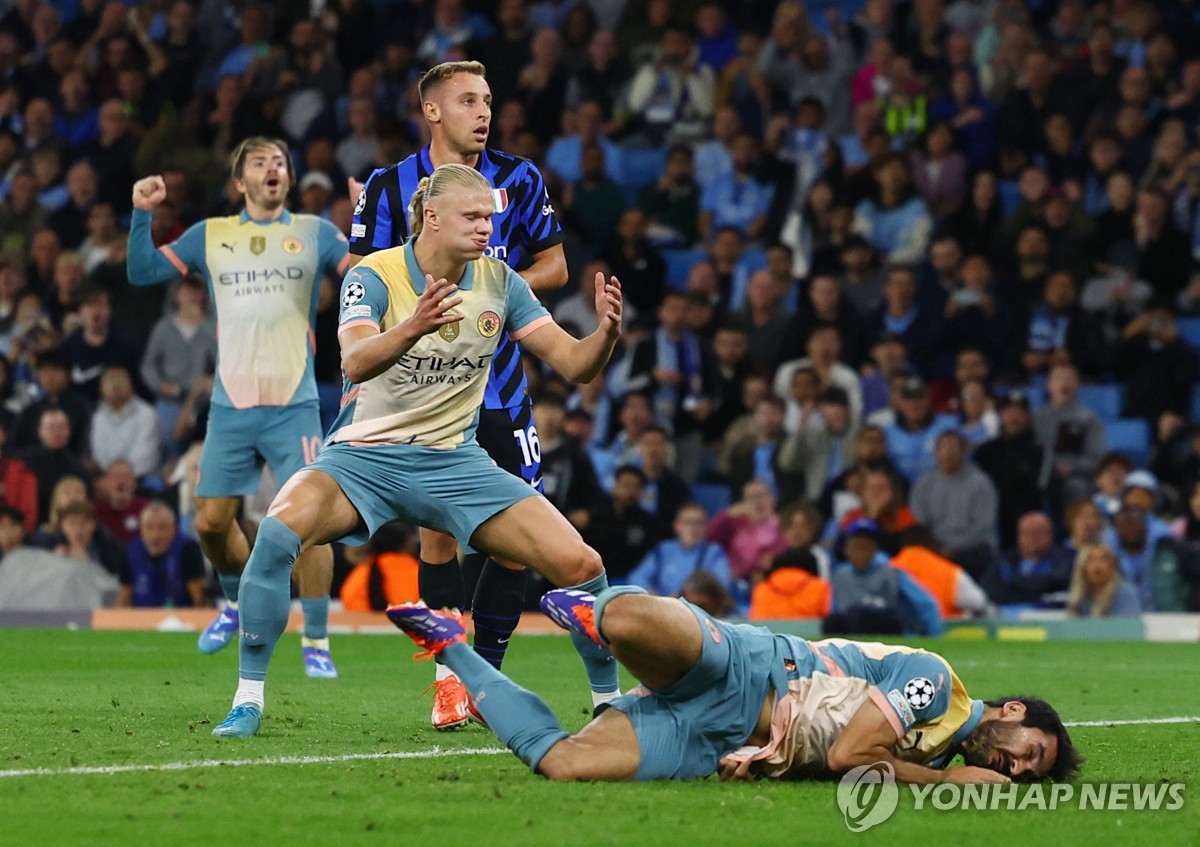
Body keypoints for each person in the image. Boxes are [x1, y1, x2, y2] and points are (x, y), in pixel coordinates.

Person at [210, 163, 626, 738]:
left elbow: (576, 366)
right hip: (362, 461)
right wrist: (413, 326)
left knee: (583, 567)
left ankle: (611, 707)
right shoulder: (373, 276)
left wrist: (604, 337)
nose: (486, 229)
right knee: (279, 533)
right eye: (473, 217)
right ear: (431, 217)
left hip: (456, 463)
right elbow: (355, 360)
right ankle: (248, 700)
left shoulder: (501, 281)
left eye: (490, 217)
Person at [349, 61, 575, 727]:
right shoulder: (392, 186)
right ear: (435, 113)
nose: (484, 112)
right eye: (468, 101)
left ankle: (488, 676)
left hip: (500, 384)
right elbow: (358, 269)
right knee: (439, 540)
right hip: (426, 392)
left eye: (488, 100)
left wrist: (496, 293)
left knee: (512, 543)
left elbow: (556, 263)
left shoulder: (521, 178)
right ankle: (452, 682)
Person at [386, 589, 1080, 784]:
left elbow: (857, 759)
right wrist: (948, 785)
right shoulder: (936, 686)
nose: (1015, 766)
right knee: (628, 620)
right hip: (753, 669)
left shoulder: (930, 750)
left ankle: (452, 645)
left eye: (1025, 773)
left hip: (718, 740)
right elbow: (846, 758)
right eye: (1030, 750)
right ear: (1014, 710)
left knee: (562, 763)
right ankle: (596, 612)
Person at [126, 137, 347, 677]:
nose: (272, 168)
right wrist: (140, 213)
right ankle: (235, 602)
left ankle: (316, 638)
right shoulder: (212, 235)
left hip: (293, 404)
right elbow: (141, 273)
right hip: (230, 406)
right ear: (239, 181)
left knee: (311, 522)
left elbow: (370, 270)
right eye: (258, 162)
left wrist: (371, 223)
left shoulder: (314, 232)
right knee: (209, 523)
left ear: (289, 178)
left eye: (280, 162)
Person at [627, 502, 734, 600]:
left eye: (699, 523)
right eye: (687, 522)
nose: (693, 528)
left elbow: (721, 585)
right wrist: (653, 595)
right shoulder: (663, 549)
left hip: (697, 611)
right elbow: (636, 577)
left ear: (706, 527)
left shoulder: (714, 552)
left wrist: (685, 596)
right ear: (676, 526)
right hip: (662, 606)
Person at [118, 501, 206, 608]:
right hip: (140, 620)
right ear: (141, 529)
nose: (155, 535)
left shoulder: (188, 549)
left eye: (162, 527)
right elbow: (124, 600)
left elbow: (200, 600)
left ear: (174, 529)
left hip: (180, 619)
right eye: (149, 527)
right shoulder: (130, 551)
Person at [1066, 544, 1142, 618]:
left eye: (1103, 559)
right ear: (1082, 567)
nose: (1097, 565)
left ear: (1112, 565)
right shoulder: (1077, 596)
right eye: (1091, 559)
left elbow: (1127, 627)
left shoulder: (1126, 594)